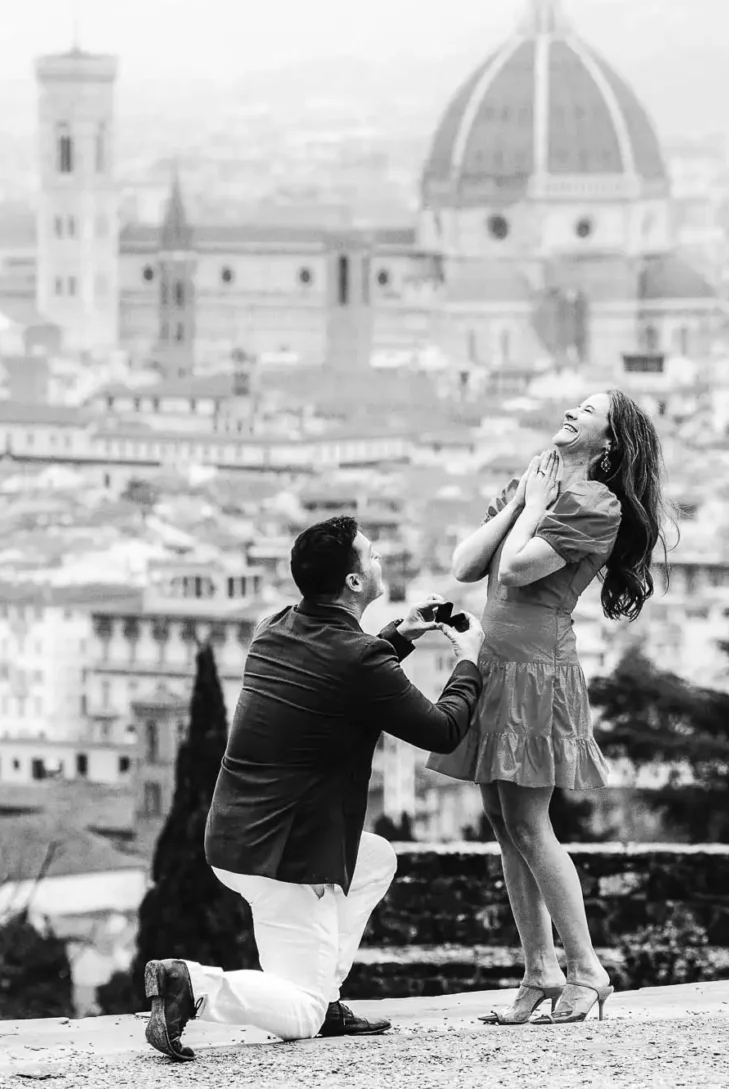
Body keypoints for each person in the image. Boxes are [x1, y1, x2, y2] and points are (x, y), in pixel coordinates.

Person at [143, 515, 486, 1061]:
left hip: (237, 837)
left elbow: (341, 673)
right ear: (353, 582)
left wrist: (402, 633)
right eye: (371, 557)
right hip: (287, 856)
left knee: (374, 860)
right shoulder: (357, 658)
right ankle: (193, 986)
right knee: (297, 1014)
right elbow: (442, 729)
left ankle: (327, 999)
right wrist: (470, 658)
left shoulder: (274, 627)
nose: (379, 564)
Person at [429, 389, 673, 1026]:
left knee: (531, 825)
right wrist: (519, 499)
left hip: (537, 670)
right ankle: (539, 968)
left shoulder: (596, 503)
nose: (573, 411)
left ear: (610, 442)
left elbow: (515, 573)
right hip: (494, 663)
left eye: (589, 411)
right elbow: (466, 566)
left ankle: (587, 969)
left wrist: (534, 507)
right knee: (503, 821)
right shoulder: (532, 484)